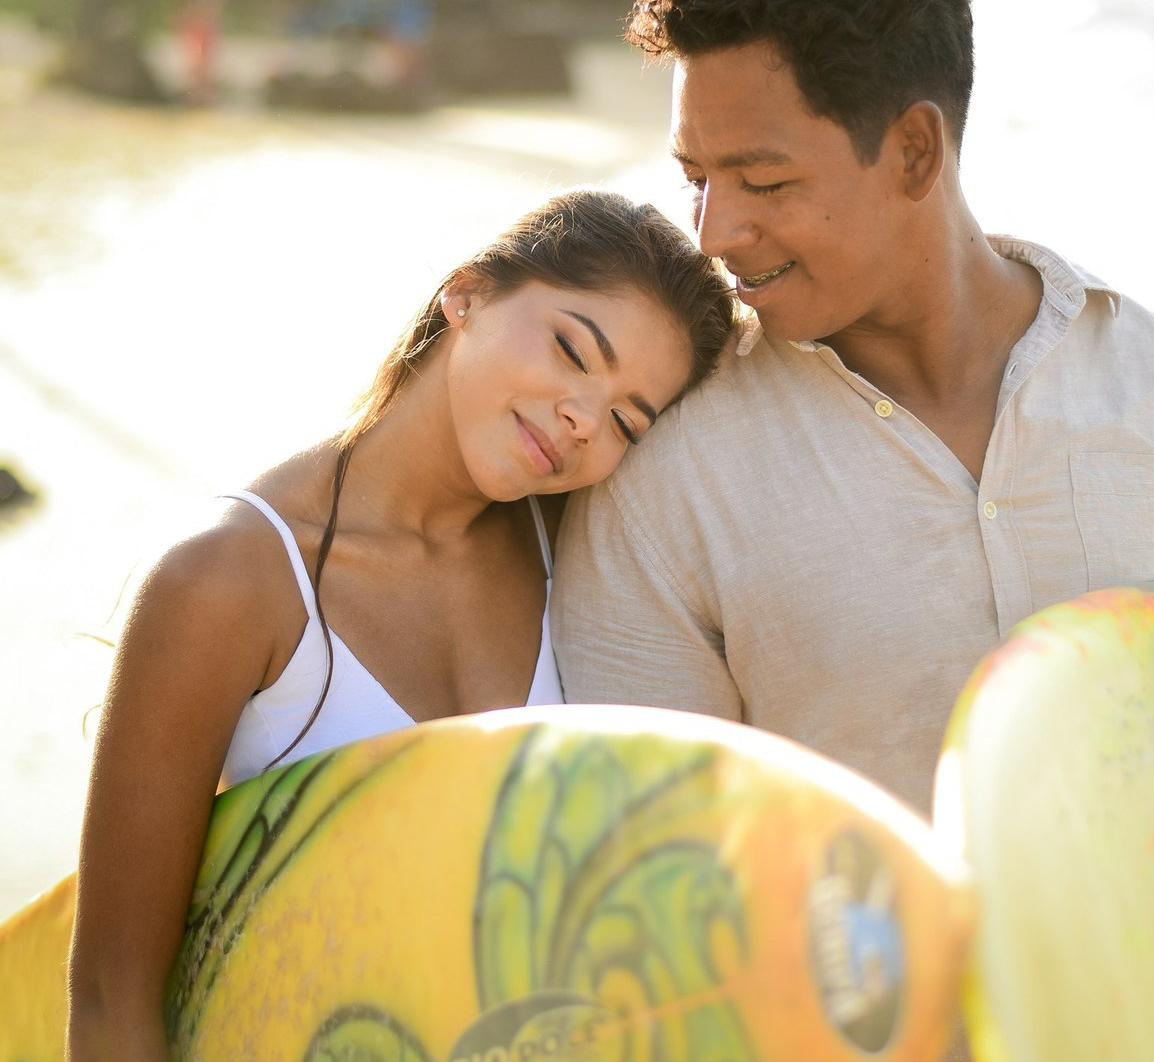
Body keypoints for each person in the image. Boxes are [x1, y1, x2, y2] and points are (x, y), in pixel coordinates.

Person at [552, 0, 1154, 819]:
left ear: (914, 152)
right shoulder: (662, 478)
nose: (714, 232)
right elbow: (658, 862)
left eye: (764, 181)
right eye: (695, 179)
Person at [66, 188, 736, 1061]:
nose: (582, 419)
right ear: (468, 294)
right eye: (573, 349)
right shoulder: (232, 581)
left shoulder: (579, 545)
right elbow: (113, 998)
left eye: (625, 421)